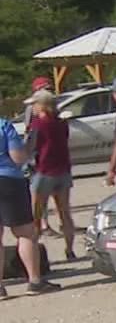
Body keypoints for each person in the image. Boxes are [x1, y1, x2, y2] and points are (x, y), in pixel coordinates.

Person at [0, 110, 56, 296]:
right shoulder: (4, 125)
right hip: (8, 181)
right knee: (25, 233)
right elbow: (18, 158)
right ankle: (34, 280)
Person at [24, 88, 75, 261]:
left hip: (43, 171)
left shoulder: (37, 125)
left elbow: (30, 149)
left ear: (42, 105)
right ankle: (70, 249)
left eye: (35, 105)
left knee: (36, 214)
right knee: (65, 213)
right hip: (63, 170)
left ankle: (35, 253)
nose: (33, 108)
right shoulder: (62, 123)